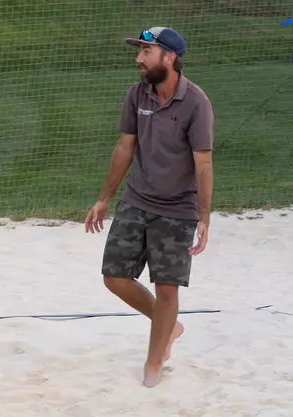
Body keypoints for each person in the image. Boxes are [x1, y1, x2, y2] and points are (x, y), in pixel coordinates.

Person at [84, 27, 214, 388]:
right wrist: (104, 198)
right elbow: (125, 147)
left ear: (169, 57)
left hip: (177, 208)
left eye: (146, 51)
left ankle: (153, 365)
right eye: (140, 51)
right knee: (114, 278)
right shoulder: (137, 93)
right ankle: (169, 325)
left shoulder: (196, 103)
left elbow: (202, 164)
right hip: (136, 198)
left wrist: (204, 218)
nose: (138, 58)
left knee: (167, 287)